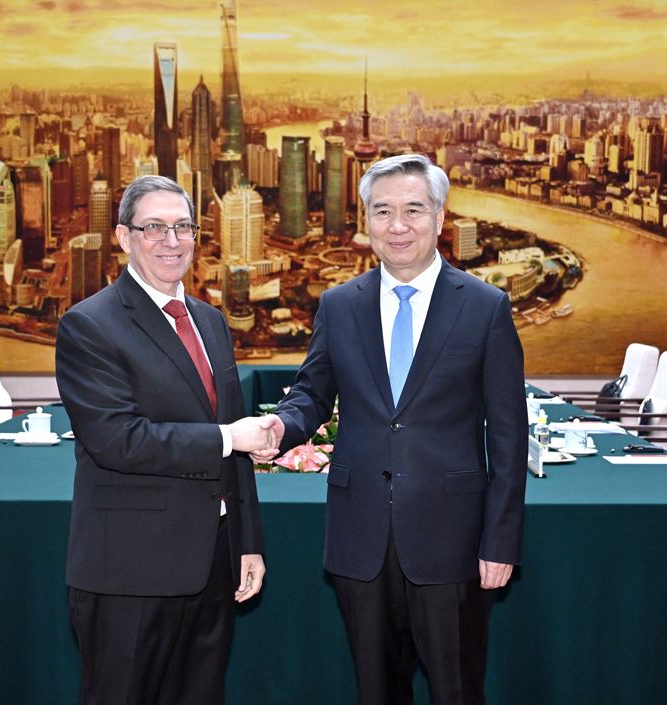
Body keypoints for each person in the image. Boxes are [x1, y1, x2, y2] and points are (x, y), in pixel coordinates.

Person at [254, 154, 528, 705]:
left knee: (456, 689)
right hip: (361, 541)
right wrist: (279, 427)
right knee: (376, 691)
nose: (397, 225)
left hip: (453, 542)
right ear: (366, 221)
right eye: (382, 211)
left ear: (440, 216)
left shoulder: (485, 307)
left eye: (413, 210)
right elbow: (312, 394)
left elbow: (508, 436)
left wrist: (500, 542)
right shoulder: (339, 305)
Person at [56, 175, 276, 705]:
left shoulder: (210, 321)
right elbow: (117, 440)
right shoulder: (89, 325)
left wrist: (247, 540)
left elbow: (234, 445)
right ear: (124, 237)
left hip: (212, 564)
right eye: (154, 227)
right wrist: (227, 437)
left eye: (183, 227)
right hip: (131, 571)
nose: (171, 241)